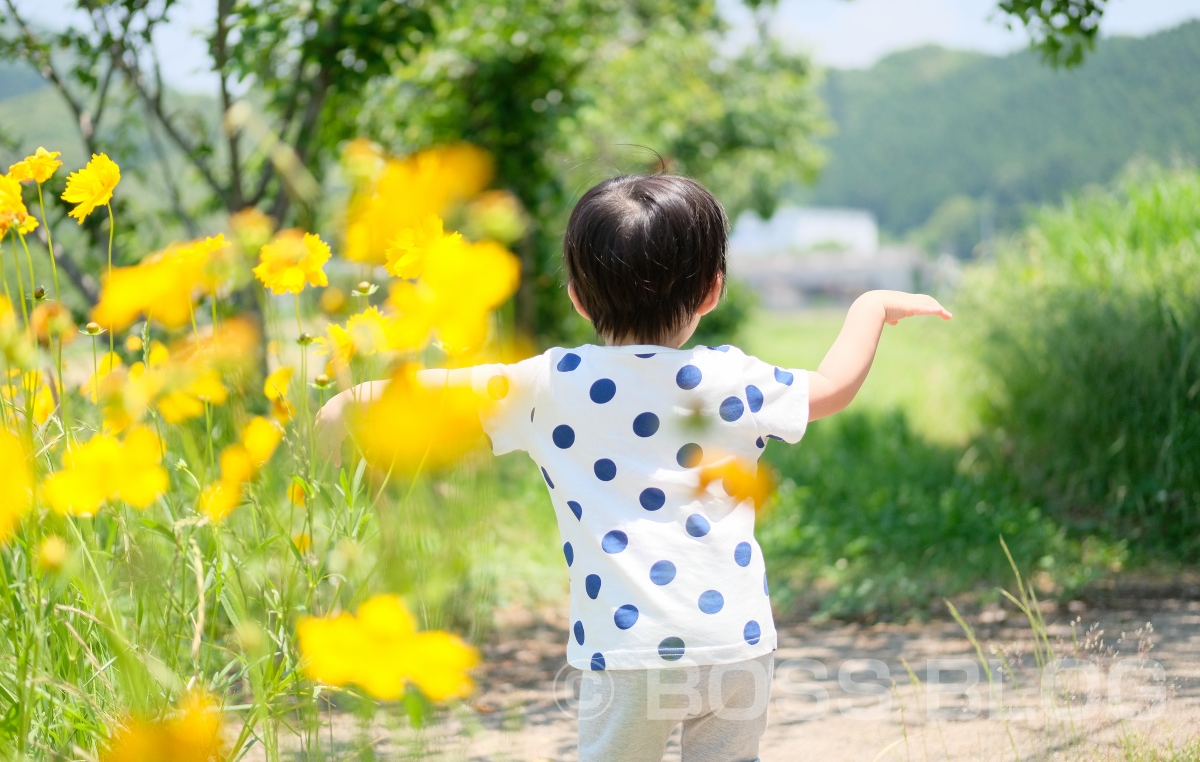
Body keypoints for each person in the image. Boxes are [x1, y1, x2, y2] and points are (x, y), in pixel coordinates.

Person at [314, 174, 951, 761]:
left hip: (628, 652)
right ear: (712, 290)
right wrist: (869, 306)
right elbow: (832, 388)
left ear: (578, 299)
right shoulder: (733, 377)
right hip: (737, 642)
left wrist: (340, 412)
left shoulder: (548, 384)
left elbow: (415, 400)